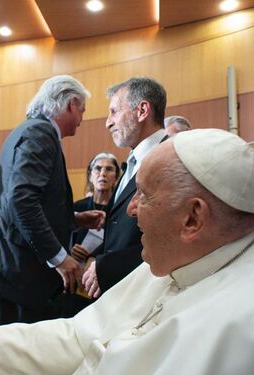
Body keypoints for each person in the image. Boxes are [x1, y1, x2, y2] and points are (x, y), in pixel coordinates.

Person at [0, 129, 254, 375]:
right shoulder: (174, 262)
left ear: (193, 219)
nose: (131, 210)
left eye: (144, 196)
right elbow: (82, 335)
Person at [0, 75, 105, 325]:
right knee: (20, 353)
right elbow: (22, 201)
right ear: (70, 104)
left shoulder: (30, 130)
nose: (82, 119)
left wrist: (75, 220)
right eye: (82, 110)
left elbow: (32, 199)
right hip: (21, 267)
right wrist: (59, 257)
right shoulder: (40, 132)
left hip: (16, 263)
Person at [81, 77, 167, 299]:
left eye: (114, 112)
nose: (108, 122)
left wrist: (108, 267)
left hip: (147, 294)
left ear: (142, 110)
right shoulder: (132, 161)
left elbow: (169, 240)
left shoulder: (170, 159)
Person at [58, 152, 119, 317]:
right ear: (90, 175)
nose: (103, 174)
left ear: (116, 177)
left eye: (109, 169)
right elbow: (58, 238)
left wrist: (96, 258)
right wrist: (70, 250)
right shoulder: (78, 207)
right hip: (73, 283)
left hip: (104, 284)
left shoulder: (120, 211)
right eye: (97, 169)